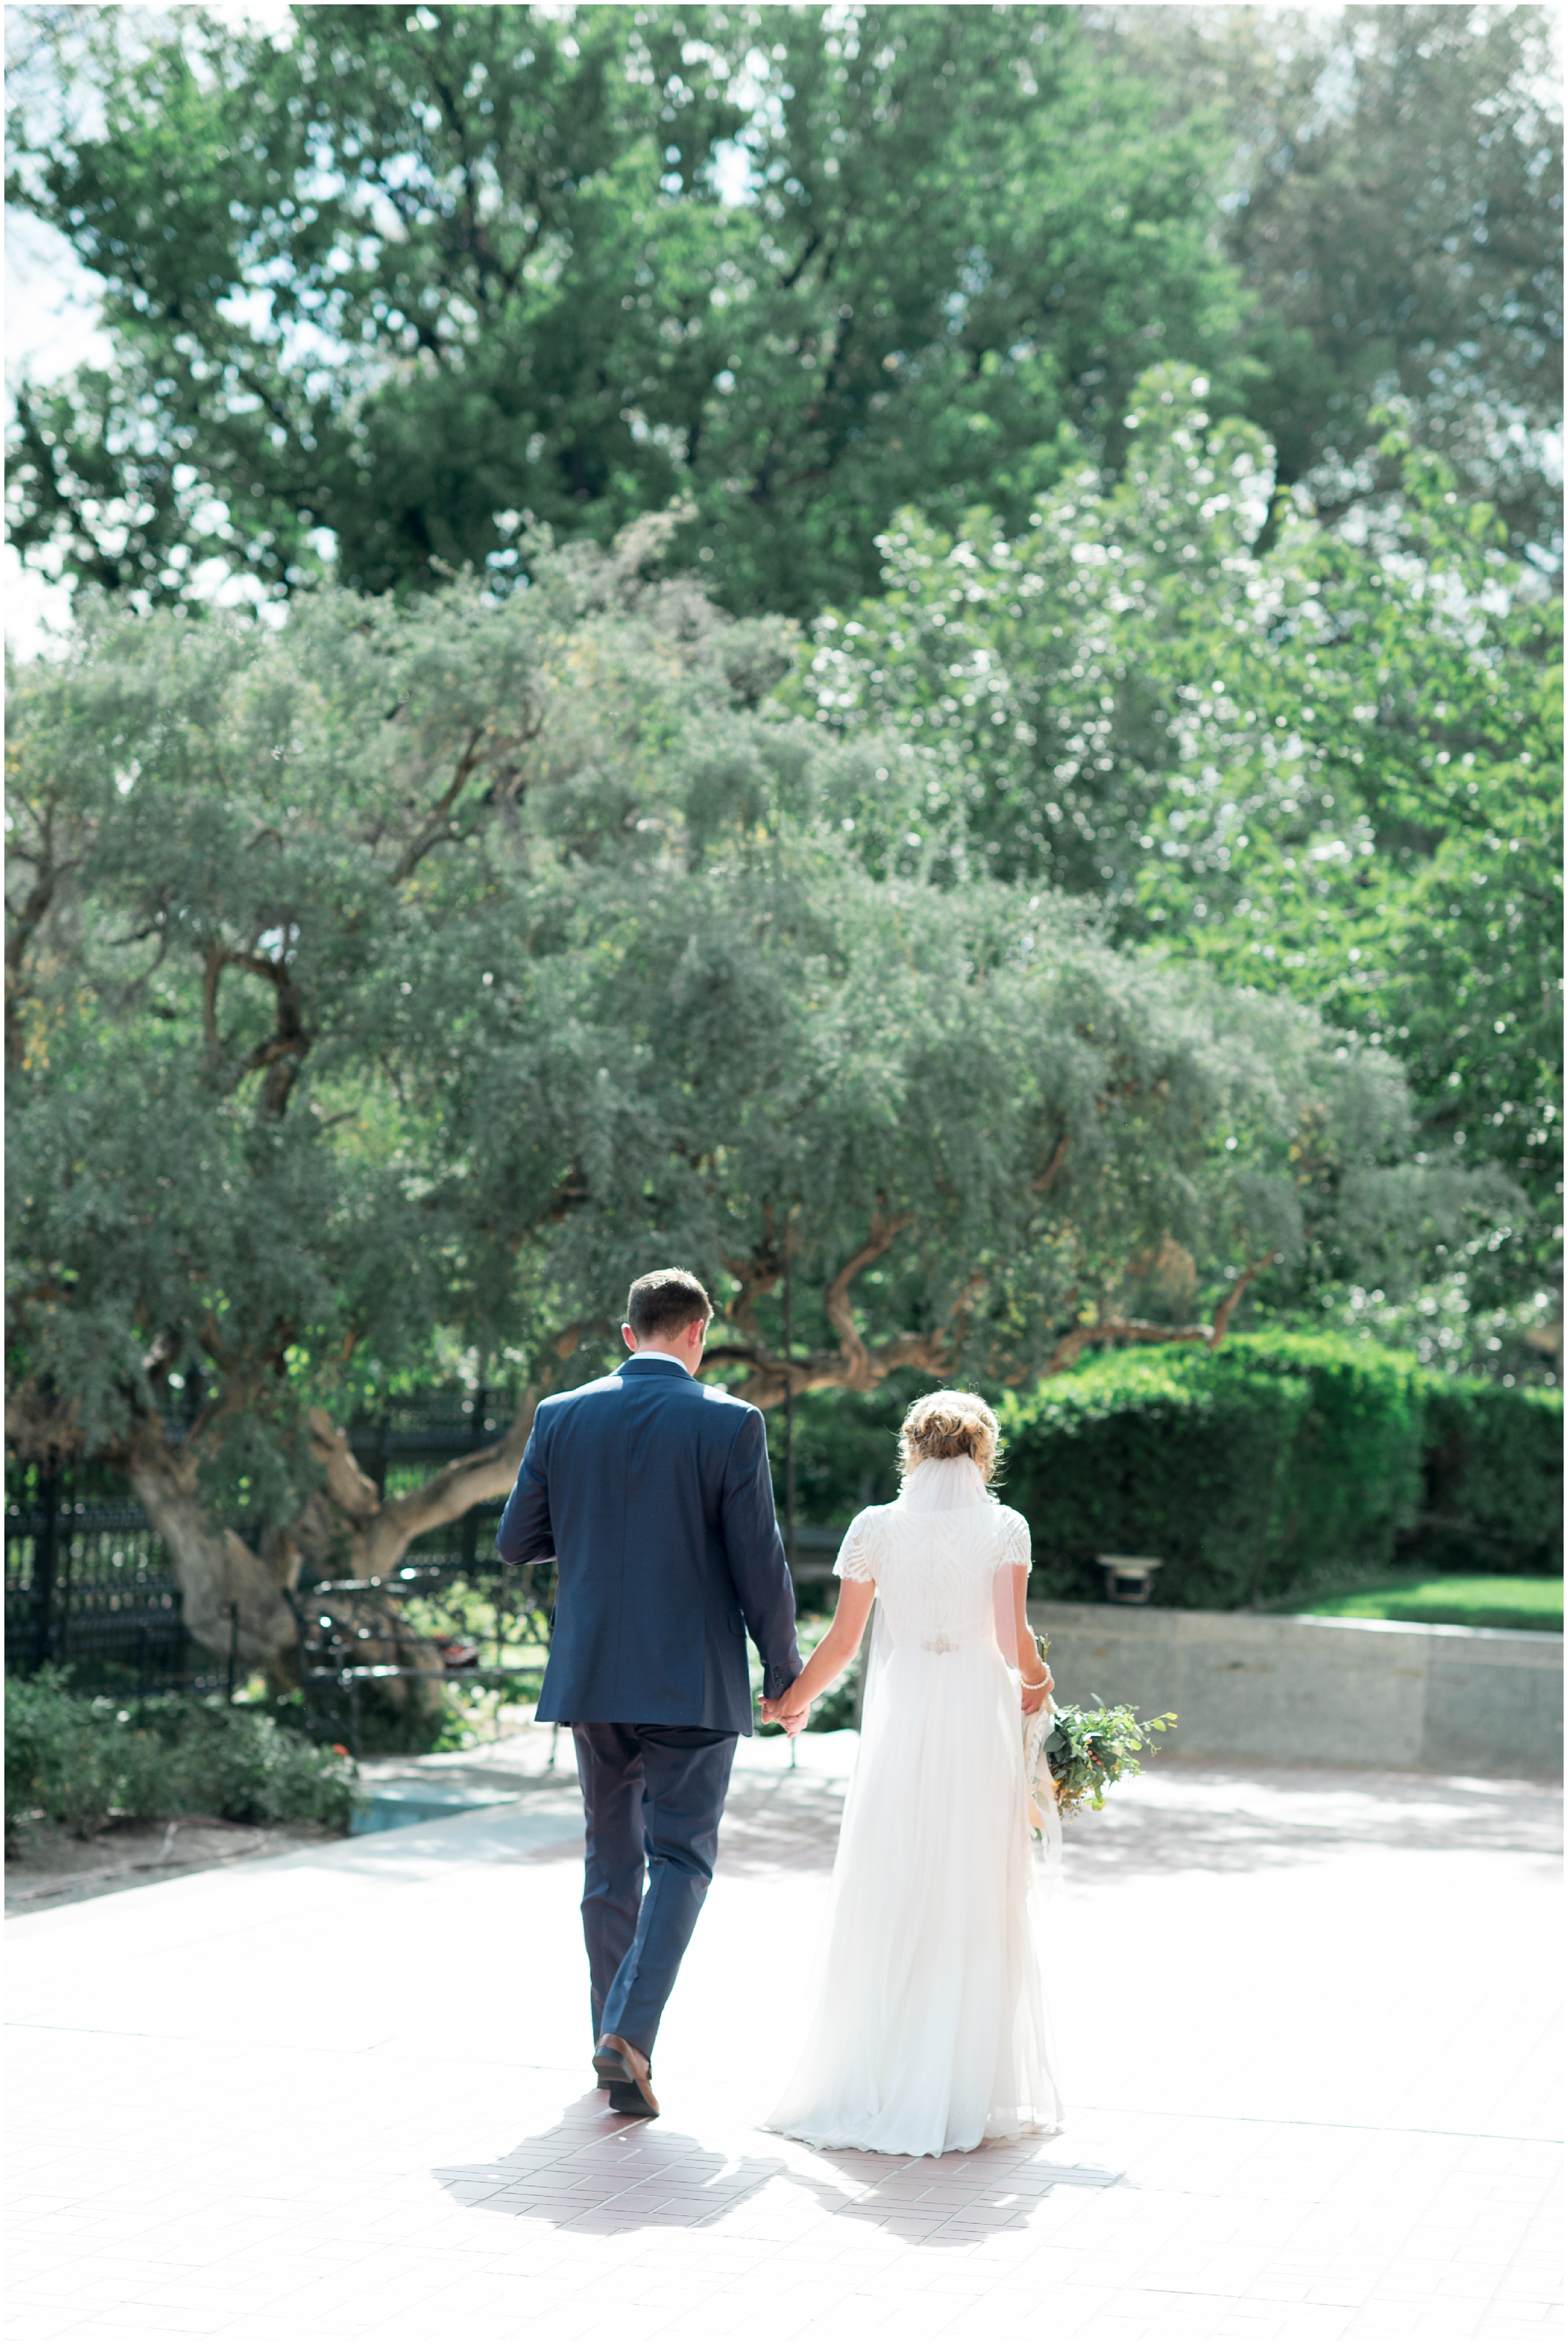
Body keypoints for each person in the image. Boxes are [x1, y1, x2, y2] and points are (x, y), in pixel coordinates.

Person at [496, 1268, 801, 2120]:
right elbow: (760, 1562)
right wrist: (784, 1674)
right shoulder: (731, 1421)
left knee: (610, 1860)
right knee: (682, 1857)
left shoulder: (561, 1414)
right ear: (699, 1332)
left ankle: (614, 2043)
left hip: (594, 1676)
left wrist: (600, 1527)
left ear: (629, 1334)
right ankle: (627, 2034)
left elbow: (517, 1541)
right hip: (693, 1681)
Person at [759, 1389, 1065, 2157]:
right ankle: (959, 2084)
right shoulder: (1006, 1527)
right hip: (973, 1715)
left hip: (903, 1718)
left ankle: (877, 2072)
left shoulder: (874, 1528)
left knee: (894, 1879)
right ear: (983, 1452)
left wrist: (793, 1701)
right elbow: (1008, 1636)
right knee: (969, 1882)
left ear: (911, 1449)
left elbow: (841, 1641)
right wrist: (1039, 1679)